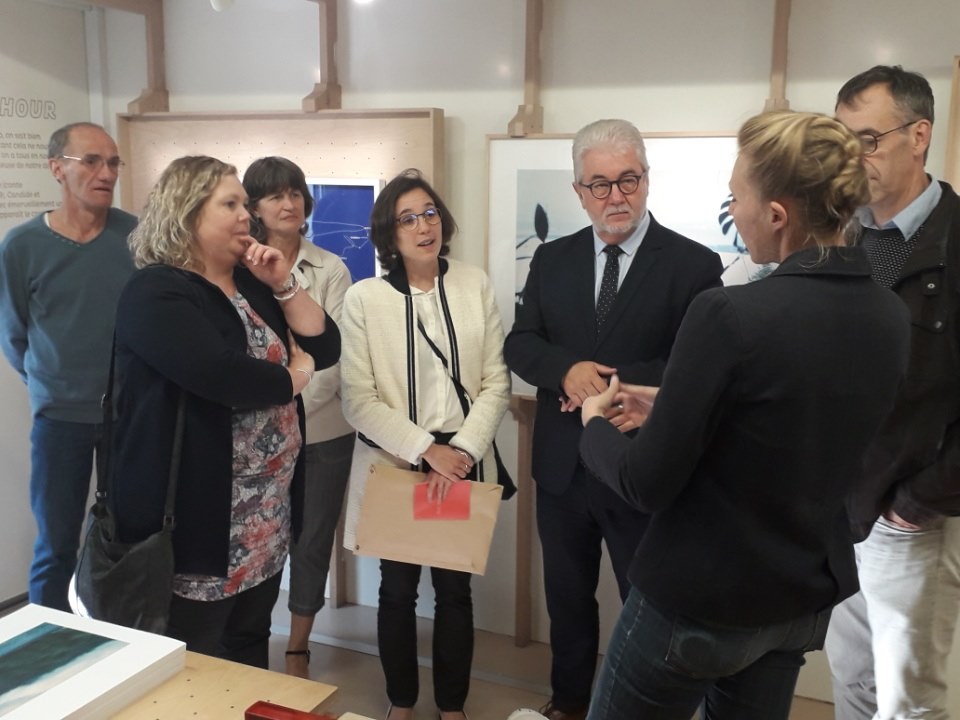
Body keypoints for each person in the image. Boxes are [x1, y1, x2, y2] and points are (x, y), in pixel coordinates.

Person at [576, 110, 910, 719]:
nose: (733, 208)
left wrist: (594, 425)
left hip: (701, 600)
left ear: (776, 214)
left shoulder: (729, 313)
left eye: (736, 197)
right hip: (799, 600)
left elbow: (645, 482)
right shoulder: (889, 315)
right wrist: (675, 405)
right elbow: (793, 422)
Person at [502, 118, 724, 719]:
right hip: (563, 468)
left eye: (628, 179)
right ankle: (569, 703)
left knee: (646, 603)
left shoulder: (693, 264)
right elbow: (521, 344)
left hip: (640, 467)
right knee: (567, 600)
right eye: (599, 184)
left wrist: (607, 384)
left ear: (647, 179)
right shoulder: (553, 259)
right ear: (579, 191)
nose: (615, 196)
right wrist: (566, 370)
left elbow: (695, 364)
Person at [111, 155, 340, 668]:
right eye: (230, 204)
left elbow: (325, 346)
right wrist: (295, 378)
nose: (246, 215)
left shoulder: (252, 282)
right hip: (201, 519)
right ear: (188, 212)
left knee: (250, 640)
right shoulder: (156, 291)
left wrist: (283, 283)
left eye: (244, 204)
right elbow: (223, 376)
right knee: (196, 657)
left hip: (265, 514)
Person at [339, 169, 510, 720]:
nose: (423, 226)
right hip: (395, 463)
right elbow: (357, 399)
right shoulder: (365, 299)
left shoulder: (473, 284)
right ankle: (402, 703)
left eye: (430, 213)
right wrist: (424, 450)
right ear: (389, 234)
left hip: (458, 463)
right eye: (407, 218)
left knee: (455, 589)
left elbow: (496, 382)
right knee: (397, 590)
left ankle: (452, 706)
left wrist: (459, 452)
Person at [825, 65, 960, 720]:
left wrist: (917, 503)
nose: (854, 158)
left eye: (869, 140)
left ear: (919, 136)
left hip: (909, 521)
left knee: (909, 702)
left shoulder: (953, 243)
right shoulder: (842, 235)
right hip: (839, 508)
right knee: (852, 678)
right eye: (842, 141)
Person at [0, 121, 136, 611]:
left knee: (128, 539)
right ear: (57, 168)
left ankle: (124, 635)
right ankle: (48, 643)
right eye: (92, 161)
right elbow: (14, 335)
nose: (107, 173)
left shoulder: (135, 237)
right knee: (56, 545)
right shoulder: (22, 246)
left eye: (113, 162)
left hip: (127, 416)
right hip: (59, 419)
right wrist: (51, 383)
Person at [243, 156, 356, 678]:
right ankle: (251, 637)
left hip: (323, 431)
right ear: (254, 207)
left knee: (311, 541)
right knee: (258, 537)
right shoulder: (239, 267)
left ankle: (297, 647)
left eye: (295, 193)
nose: (289, 204)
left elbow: (334, 359)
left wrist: (283, 402)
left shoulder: (330, 269)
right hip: (254, 435)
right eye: (275, 195)